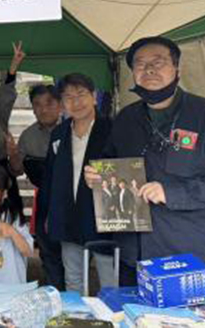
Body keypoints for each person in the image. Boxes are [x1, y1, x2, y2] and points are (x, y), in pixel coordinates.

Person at [84, 36, 205, 292]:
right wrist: (96, 177)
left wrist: (172, 193)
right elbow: (110, 163)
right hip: (134, 256)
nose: (149, 70)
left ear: (177, 68)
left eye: (158, 62)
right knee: (133, 312)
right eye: (140, 64)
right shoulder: (126, 119)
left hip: (192, 256)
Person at [40, 73, 116, 293]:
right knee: (73, 280)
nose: (76, 102)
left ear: (94, 96)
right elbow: (50, 177)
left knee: (110, 281)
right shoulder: (60, 133)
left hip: (103, 218)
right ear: (62, 103)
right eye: (69, 97)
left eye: (81, 94)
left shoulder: (112, 129)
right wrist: (48, 214)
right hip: (68, 216)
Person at [9, 84, 64, 290]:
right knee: (48, 252)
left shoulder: (73, 129)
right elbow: (16, 171)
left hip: (72, 200)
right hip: (44, 200)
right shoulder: (28, 136)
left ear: (60, 105)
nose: (44, 109)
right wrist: (13, 155)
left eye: (49, 103)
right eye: (38, 104)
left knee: (72, 254)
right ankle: (55, 292)